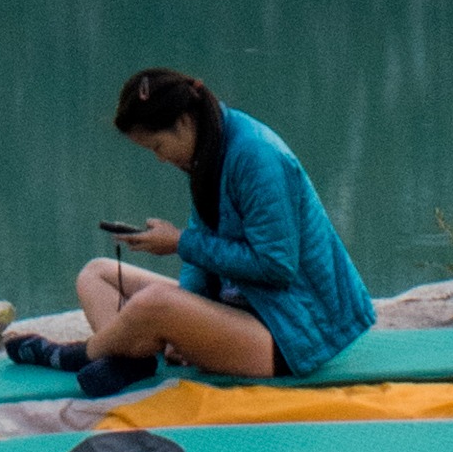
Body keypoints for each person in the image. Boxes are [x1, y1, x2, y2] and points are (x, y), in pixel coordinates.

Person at [78, 67, 375, 382]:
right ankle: (126, 359)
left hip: (290, 334)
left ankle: (83, 354)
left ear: (183, 122)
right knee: (96, 274)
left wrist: (181, 243)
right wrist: (186, 325)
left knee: (155, 304)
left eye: (157, 147)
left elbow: (276, 266)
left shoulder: (257, 157)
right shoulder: (208, 149)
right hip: (239, 309)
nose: (160, 159)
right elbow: (202, 241)